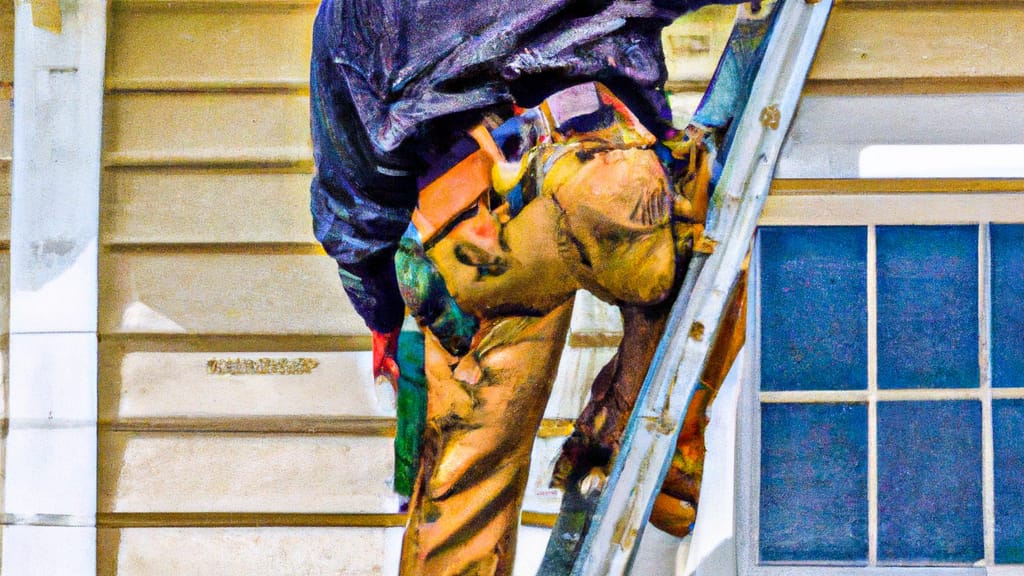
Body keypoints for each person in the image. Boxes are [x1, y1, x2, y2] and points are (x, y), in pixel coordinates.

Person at [309, 1, 754, 573]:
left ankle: (637, 423)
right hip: (609, 189)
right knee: (713, 245)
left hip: (467, 243)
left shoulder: (352, 11)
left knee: (463, 486)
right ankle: (651, 430)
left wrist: (380, 313)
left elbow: (352, 182)